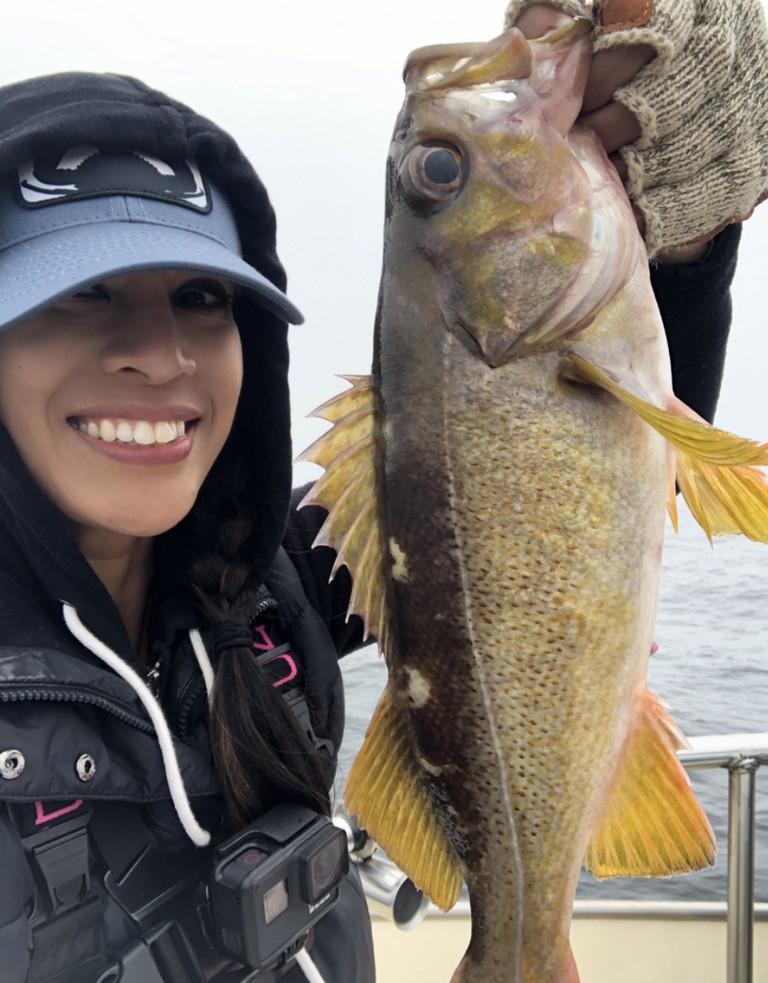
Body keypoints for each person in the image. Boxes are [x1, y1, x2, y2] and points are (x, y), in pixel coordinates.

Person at [0, 2, 764, 982]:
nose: (159, 354)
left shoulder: (269, 587)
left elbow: (606, 477)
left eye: (201, 297)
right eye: (81, 292)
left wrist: (688, 248)